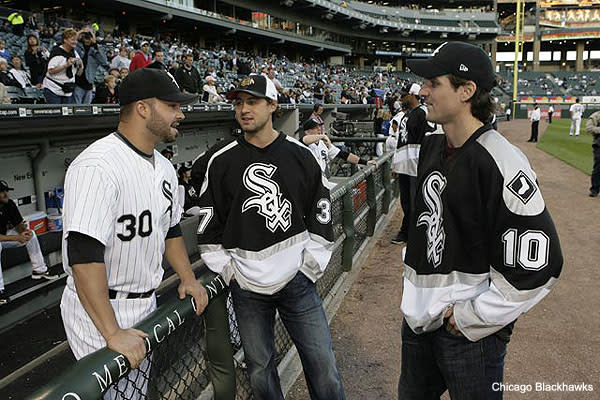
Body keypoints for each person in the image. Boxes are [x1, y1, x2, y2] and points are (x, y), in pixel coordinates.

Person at [400, 41, 563, 400]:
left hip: (468, 334)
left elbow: (540, 263)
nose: (422, 90)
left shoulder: (503, 159)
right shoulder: (430, 146)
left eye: (433, 82)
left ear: (466, 91)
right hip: (417, 321)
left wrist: (474, 316)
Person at [191, 75, 345, 400]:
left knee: (324, 366)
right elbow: (207, 224)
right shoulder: (221, 161)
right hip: (247, 287)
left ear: (272, 106)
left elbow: (321, 216)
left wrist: (309, 268)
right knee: (260, 372)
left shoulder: (301, 155)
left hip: (297, 281)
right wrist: (228, 270)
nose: (244, 109)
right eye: (238, 103)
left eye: (252, 101)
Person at [59, 69, 208, 397]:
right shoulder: (97, 165)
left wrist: (187, 277)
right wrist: (111, 331)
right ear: (143, 108)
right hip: (101, 309)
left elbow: (169, 231)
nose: (181, 113)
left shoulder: (165, 167)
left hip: (146, 302)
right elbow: (83, 256)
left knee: (138, 392)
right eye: (172, 105)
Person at [1, 180, 59, 305]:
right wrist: (17, 238)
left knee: (31, 235)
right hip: (2, 239)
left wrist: (25, 232)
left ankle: (39, 270)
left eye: (6, 191)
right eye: (2, 192)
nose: (6, 194)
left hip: (4, 237)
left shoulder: (9, 204)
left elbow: (19, 225)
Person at [391, 82, 433, 245]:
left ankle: (414, 234)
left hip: (416, 166)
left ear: (413, 95)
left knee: (416, 202)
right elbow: (402, 143)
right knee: (407, 202)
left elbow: (427, 140)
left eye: (405, 95)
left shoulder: (422, 113)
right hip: (405, 166)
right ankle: (408, 232)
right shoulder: (408, 114)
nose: (402, 98)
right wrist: (396, 165)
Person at [301, 119, 377, 189]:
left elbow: (344, 155)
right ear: (307, 132)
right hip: (308, 184)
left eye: (319, 126)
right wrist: (323, 136)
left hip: (322, 182)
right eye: (315, 128)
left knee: (348, 191)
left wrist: (365, 162)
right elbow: (304, 140)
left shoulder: (324, 144)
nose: (319, 129)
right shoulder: (302, 144)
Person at [42, 28, 84, 104]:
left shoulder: (75, 53)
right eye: (72, 40)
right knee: (56, 113)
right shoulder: (57, 52)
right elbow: (51, 71)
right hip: (53, 89)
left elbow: (79, 74)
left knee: (66, 114)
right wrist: (66, 65)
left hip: (67, 90)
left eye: (76, 40)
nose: (75, 42)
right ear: (65, 40)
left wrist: (81, 66)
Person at [73, 28, 108, 104]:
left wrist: (95, 42)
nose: (87, 40)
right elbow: (64, 39)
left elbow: (104, 61)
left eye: (89, 37)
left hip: (89, 84)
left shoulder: (95, 49)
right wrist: (81, 31)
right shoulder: (77, 46)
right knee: (76, 108)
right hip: (77, 83)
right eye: (86, 37)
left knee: (87, 110)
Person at [585, 110, 600, 197]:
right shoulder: (596, 115)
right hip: (599, 144)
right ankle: (595, 189)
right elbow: (589, 128)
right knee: (598, 167)